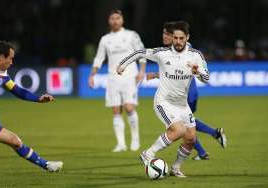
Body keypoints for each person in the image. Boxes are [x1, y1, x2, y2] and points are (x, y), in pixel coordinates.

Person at [117, 21, 209, 177]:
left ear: (187, 37)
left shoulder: (196, 55)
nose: (178, 41)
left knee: (191, 138)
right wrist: (122, 65)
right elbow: (139, 52)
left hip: (182, 105)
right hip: (163, 102)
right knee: (179, 130)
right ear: (172, 38)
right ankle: (148, 153)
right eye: (175, 38)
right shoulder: (162, 53)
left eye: (181, 38)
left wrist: (198, 72)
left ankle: (175, 168)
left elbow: (206, 78)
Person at [146, 22, 227, 160]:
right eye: (163, 33)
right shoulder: (171, 51)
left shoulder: (185, 49)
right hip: (187, 92)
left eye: (167, 33)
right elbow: (173, 71)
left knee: (183, 126)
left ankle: (213, 135)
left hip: (186, 93)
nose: (164, 36)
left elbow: (188, 69)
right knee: (187, 126)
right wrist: (156, 74)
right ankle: (204, 149)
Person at [0, 41, 63, 172]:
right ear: (1, 57)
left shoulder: (2, 75)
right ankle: (48, 165)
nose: (12, 62)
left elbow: (18, 91)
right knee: (15, 141)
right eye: (10, 58)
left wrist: (38, 99)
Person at [88, 10, 146, 152]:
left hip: (129, 76)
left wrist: (141, 71)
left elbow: (142, 52)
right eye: (112, 18)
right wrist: (92, 75)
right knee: (116, 110)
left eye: (117, 18)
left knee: (129, 108)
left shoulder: (131, 35)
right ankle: (121, 144)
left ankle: (135, 139)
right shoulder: (105, 39)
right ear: (109, 21)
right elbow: (99, 58)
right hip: (113, 78)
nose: (115, 21)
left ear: (122, 20)